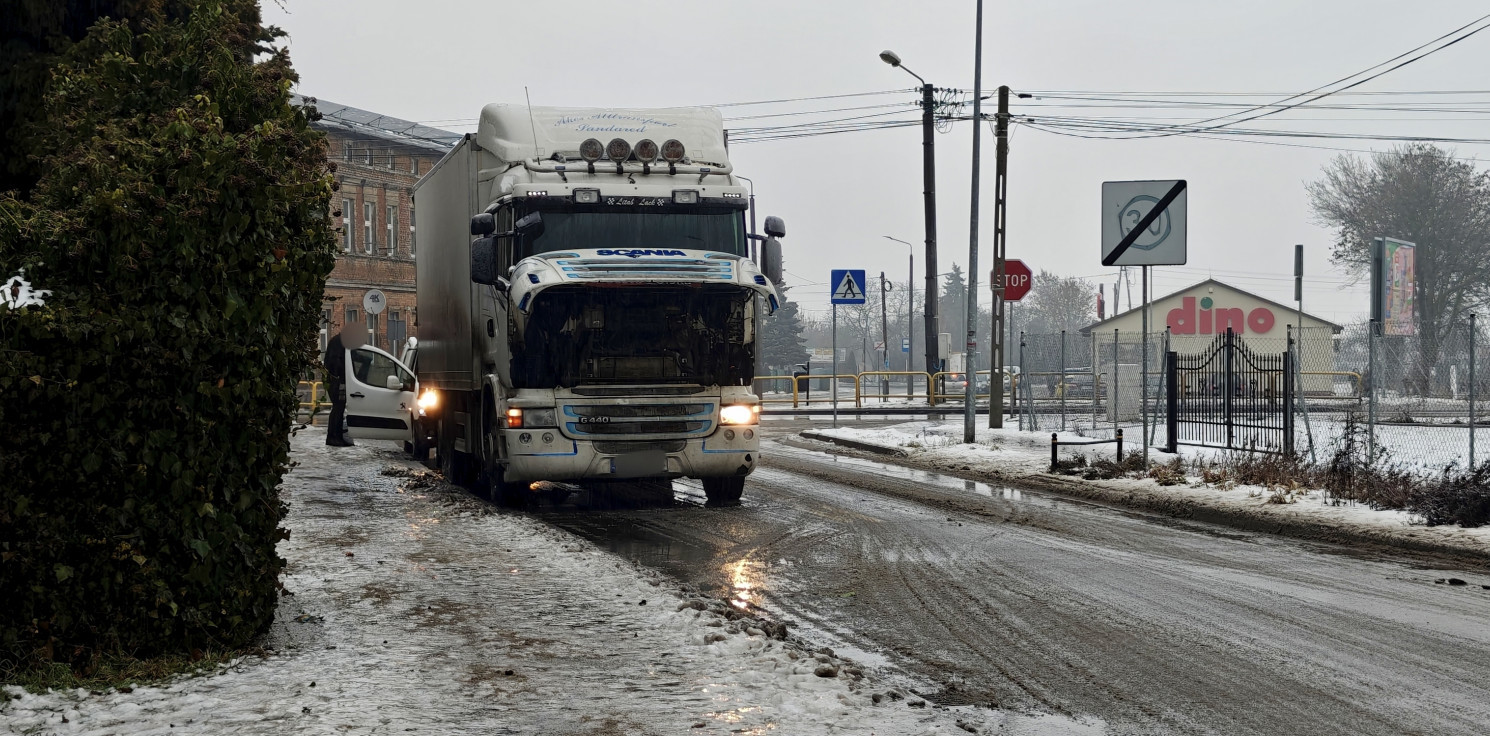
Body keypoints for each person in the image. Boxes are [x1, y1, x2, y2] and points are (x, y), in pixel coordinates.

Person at [324, 331, 354, 446]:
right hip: (336, 381)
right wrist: (343, 377)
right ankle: (333, 437)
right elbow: (336, 362)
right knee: (338, 408)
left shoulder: (338, 341)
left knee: (338, 409)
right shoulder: (339, 343)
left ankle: (336, 436)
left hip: (336, 380)